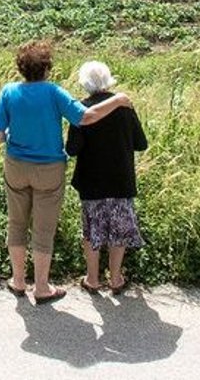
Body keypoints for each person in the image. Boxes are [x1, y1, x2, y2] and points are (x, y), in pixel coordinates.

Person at [0, 41, 134, 303]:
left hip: (16, 166)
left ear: (21, 68)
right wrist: (118, 100)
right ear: (47, 69)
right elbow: (86, 117)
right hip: (49, 169)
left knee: (16, 223)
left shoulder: (8, 92)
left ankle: (18, 281)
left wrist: (13, 136)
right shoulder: (54, 92)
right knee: (43, 230)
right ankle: (42, 287)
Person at [66, 60, 148, 294]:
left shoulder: (82, 110)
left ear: (85, 83)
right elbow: (141, 143)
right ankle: (116, 278)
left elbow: (72, 149)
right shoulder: (124, 107)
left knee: (92, 229)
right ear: (108, 80)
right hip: (121, 179)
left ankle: (92, 279)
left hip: (91, 180)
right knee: (118, 231)